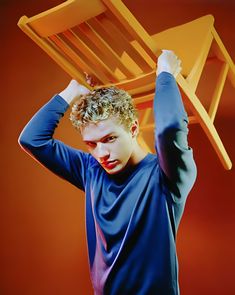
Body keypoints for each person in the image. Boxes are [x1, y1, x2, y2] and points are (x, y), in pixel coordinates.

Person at [18, 50, 197, 295]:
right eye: (91, 144)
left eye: (109, 138)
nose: (101, 152)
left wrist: (165, 73)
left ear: (133, 129)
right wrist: (73, 91)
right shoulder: (91, 170)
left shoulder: (166, 174)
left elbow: (169, 129)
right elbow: (32, 140)